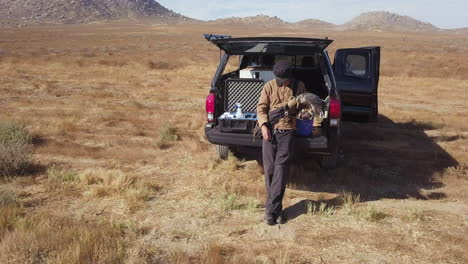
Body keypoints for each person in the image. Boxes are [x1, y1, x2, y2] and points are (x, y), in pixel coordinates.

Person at [257, 60, 306, 225]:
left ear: (289, 77)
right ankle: (276, 210)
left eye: (283, 79)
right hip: (269, 131)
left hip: (287, 132)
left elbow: (303, 108)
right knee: (270, 171)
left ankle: (270, 212)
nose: (280, 82)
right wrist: (263, 125)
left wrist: (301, 111)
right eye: (277, 78)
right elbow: (261, 108)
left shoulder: (299, 86)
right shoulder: (269, 86)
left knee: (281, 170)